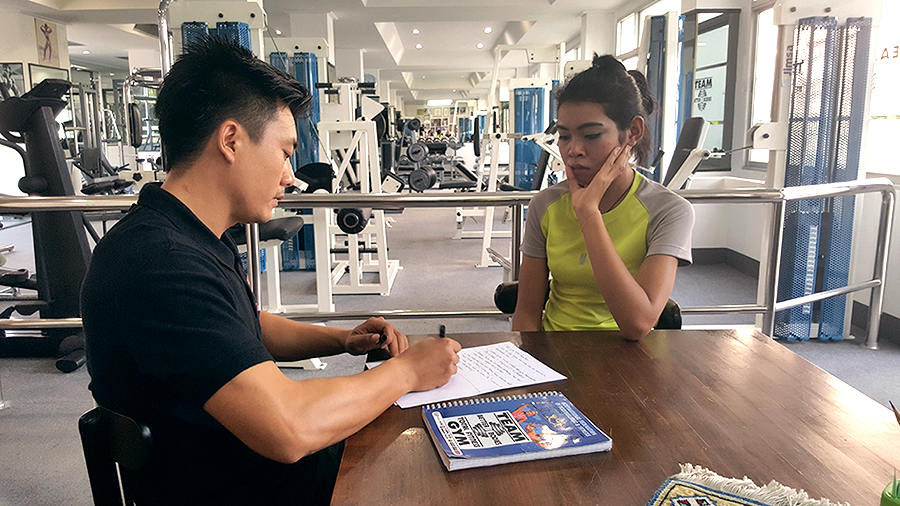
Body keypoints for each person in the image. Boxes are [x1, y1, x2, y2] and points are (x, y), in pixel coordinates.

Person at [80, 37, 461, 506]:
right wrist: (407, 371)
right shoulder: (160, 263)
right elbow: (290, 428)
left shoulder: (189, 234)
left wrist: (342, 340)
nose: (290, 175)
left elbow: (247, 326)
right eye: (284, 152)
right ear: (231, 141)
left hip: (253, 474)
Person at [512, 54, 694, 340]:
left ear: (633, 132)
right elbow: (526, 313)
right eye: (564, 136)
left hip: (631, 357)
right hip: (554, 350)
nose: (573, 150)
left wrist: (588, 213)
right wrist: (529, 360)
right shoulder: (545, 205)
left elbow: (638, 323)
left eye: (592, 135)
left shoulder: (669, 210)